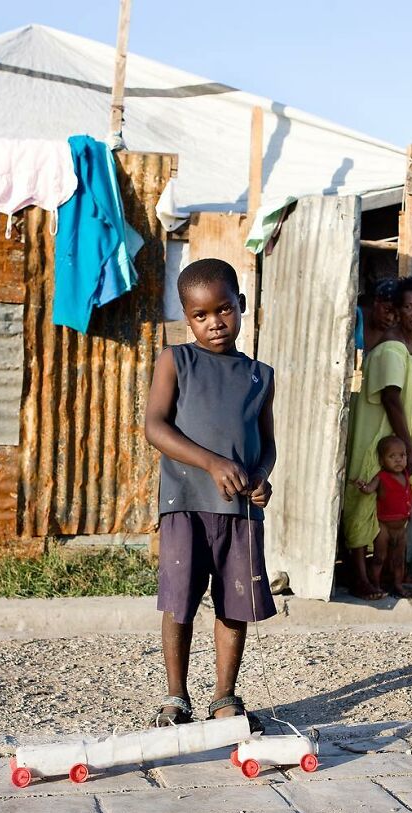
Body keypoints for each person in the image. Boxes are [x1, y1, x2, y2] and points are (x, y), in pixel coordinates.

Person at [144, 257, 276, 729]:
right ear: (187, 318)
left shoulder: (260, 375)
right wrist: (212, 463)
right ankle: (176, 697)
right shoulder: (175, 360)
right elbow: (155, 427)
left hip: (239, 511)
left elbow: (267, 445)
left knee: (235, 603)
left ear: (241, 304)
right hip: (185, 503)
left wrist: (260, 477)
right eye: (200, 315)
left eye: (224, 309)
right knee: (179, 601)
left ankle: (224, 696)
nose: (214, 322)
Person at [343, 276, 412, 599]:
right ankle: (358, 577)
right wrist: (408, 444)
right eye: (409, 307)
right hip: (377, 434)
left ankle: (390, 574)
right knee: (364, 499)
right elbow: (391, 399)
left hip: (398, 433)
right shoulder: (392, 348)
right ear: (398, 309)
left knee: (393, 502)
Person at [352, 435, 412, 593]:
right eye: (392, 456)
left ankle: (398, 585)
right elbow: (369, 489)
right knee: (379, 558)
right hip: (384, 528)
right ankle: (375, 586)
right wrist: (363, 486)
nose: (398, 460)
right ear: (382, 460)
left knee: (399, 560)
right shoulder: (381, 477)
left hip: (401, 529)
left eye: (402, 455)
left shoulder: (405, 473)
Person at [354, 278, 398, 355]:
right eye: (387, 309)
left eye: (397, 314)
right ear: (376, 302)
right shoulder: (355, 317)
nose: (390, 318)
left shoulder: (395, 334)